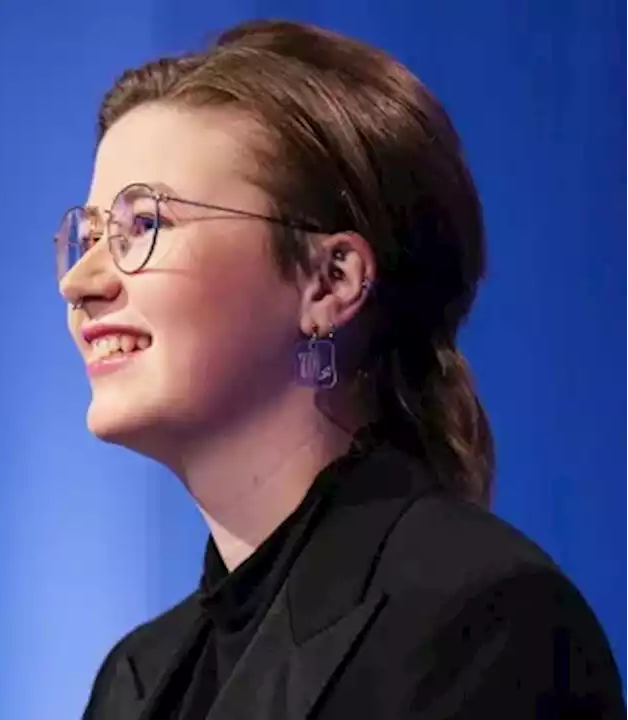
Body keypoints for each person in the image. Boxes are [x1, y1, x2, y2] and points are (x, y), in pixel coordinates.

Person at [55, 19, 625, 720]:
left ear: (330, 282)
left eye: (143, 225)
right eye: (87, 235)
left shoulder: (486, 622)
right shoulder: (133, 679)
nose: (80, 280)